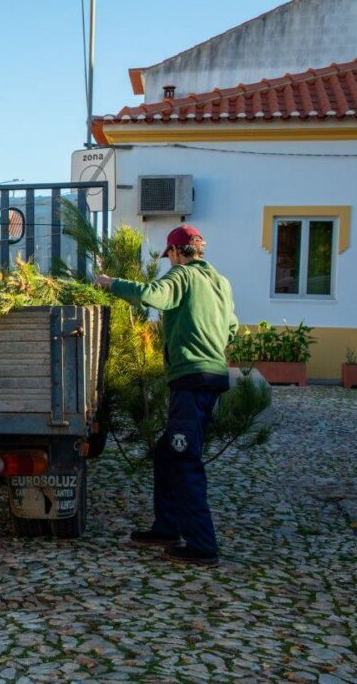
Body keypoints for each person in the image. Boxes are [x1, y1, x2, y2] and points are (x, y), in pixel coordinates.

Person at [94, 225, 237, 567]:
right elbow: (232, 327)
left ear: (175, 252)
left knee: (185, 458)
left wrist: (111, 284)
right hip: (213, 376)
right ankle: (167, 527)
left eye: (168, 256)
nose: (168, 262)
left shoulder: (182, 277)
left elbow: (150, 295)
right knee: (166, 453)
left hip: (190, 378)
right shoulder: (221, 282)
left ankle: (202, 546)